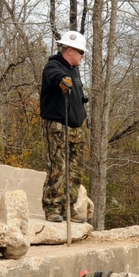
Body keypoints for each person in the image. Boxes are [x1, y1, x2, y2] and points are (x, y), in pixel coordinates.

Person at [40, 30, 88, 223]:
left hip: (77, 127)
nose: (83, 56)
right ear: (69, 50)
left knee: (75, 170)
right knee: (58, 167)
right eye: (80, 52)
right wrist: (61, 80)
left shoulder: (75, 70)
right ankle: (53, 207)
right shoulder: (54, 65)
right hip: (59, 126)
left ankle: (68, 207)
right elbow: (53, 75)